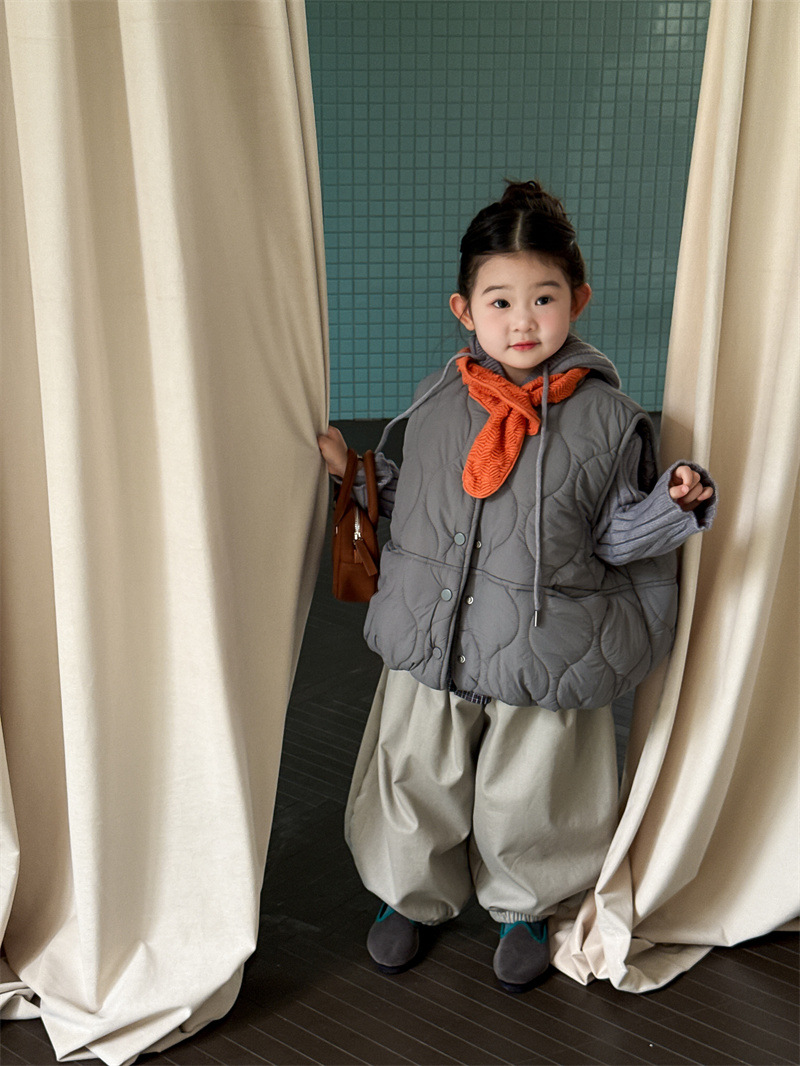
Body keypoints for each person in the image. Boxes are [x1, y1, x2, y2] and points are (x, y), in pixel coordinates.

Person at [318, 181, 716, 992]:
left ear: (579, 300)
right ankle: (407, 895)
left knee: (533, 788)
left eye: (544, 297)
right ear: (465, 310)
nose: (523, 321)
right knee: (415, 768)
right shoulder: (438, 401)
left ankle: (527, 904)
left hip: (544, 639)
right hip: (436, 631)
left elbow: (614, 535)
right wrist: (355, 476)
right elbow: (415, 500)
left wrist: (669, 507)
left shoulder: (609, 420)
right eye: (500, 301)